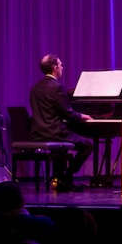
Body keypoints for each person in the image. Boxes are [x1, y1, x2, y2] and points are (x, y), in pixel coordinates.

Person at [29, 53, 94, 191]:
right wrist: (83, 116)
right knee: (87, 146)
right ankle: (66, 176)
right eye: (61, 65)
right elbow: (68, 113)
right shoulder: (57, 87)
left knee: (66, 149)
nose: (62, 67)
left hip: (37, 133)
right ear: (55, 67)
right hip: (54, 132)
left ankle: (61, 179)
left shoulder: (35, 88)